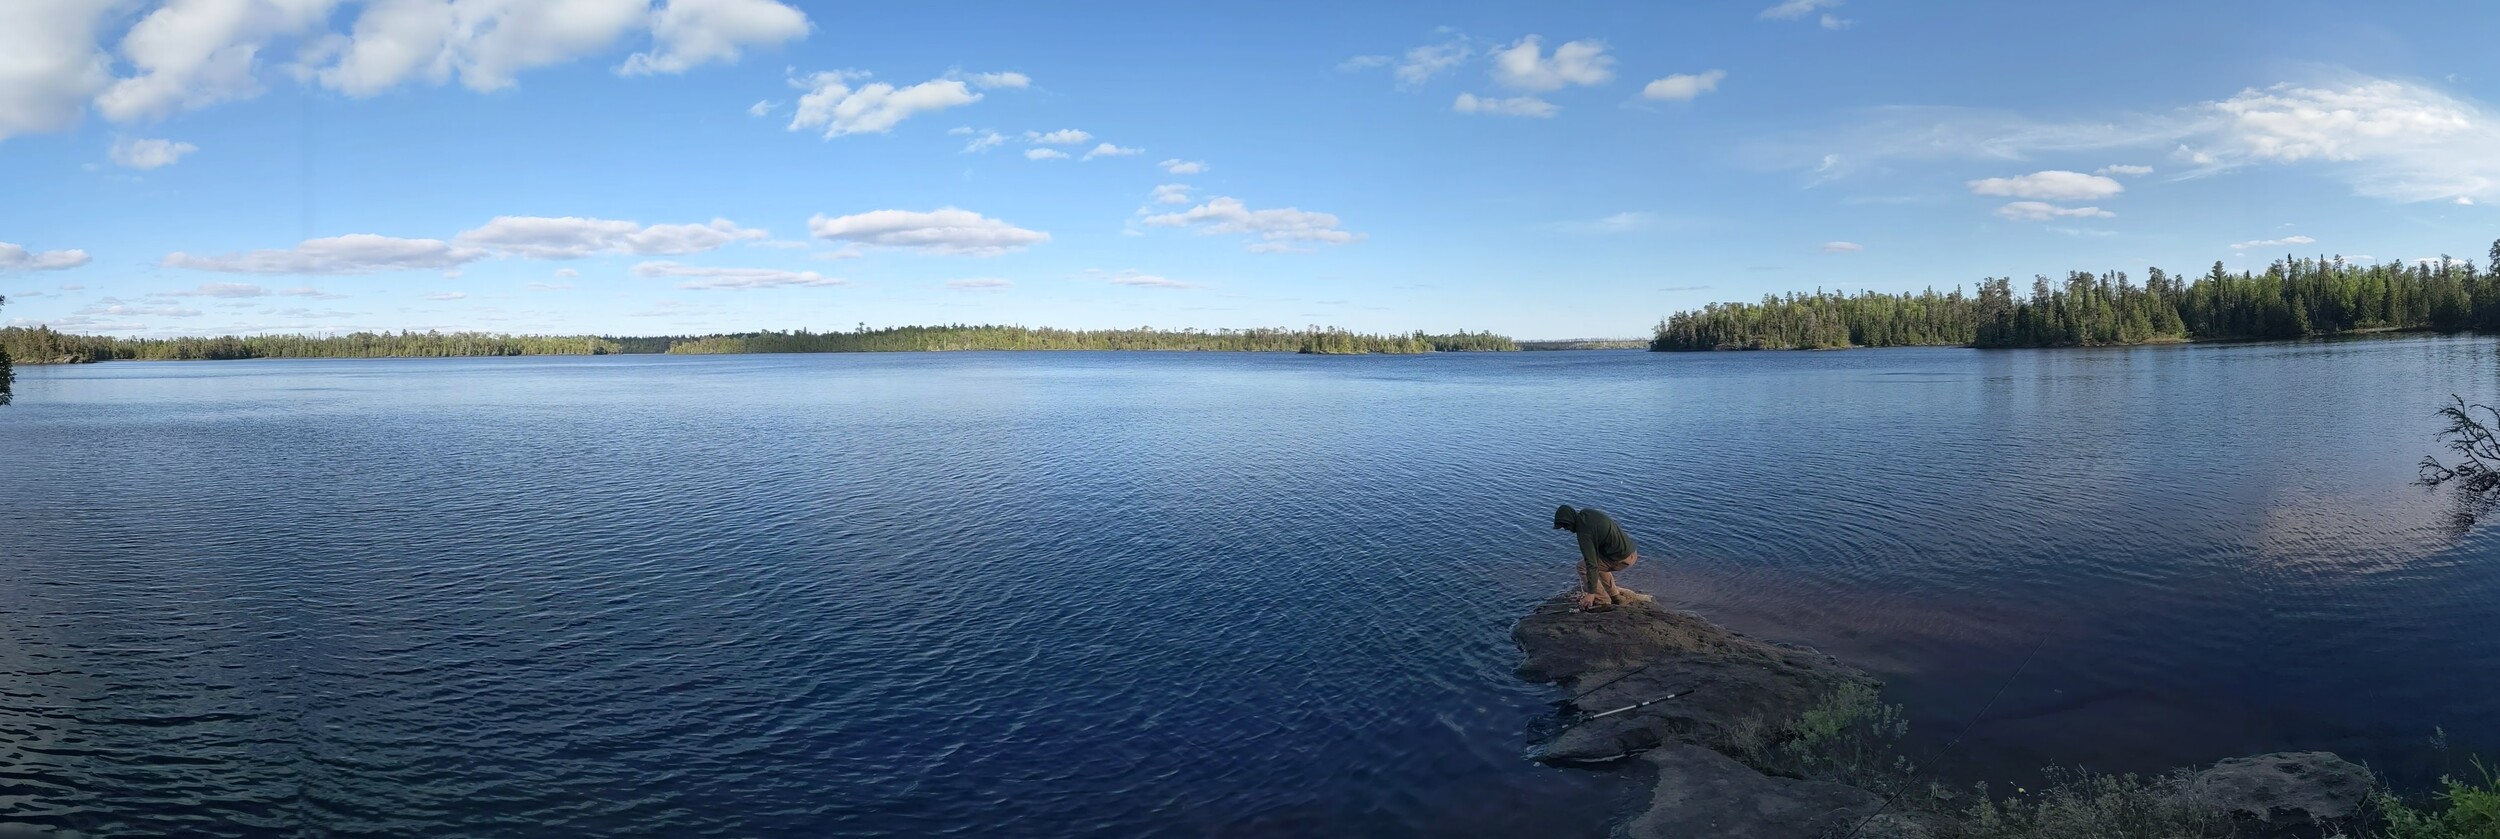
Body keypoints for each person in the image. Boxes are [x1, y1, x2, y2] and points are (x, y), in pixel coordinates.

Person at [1555, 505, 1651, 610]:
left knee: (1582, 566)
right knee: (1600, 562)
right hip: (1632, 553)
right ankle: (1616, 597)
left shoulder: (1584, 533)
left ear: (1570, 520)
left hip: (1621, 559)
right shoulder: (1587, 513)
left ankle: (1602, 601)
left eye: (1566, 526)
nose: (1566, 529)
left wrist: (1591, 593)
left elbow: (1591, 564)